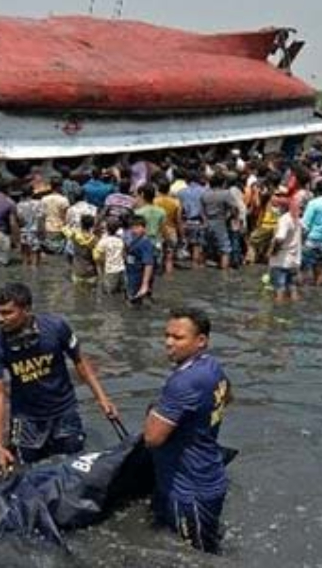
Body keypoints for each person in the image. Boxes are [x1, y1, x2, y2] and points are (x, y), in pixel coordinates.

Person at [0, 283, 118, 474]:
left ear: (27, 309)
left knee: (77, 468)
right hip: (26, 418)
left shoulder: (56, 327)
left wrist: (102, 398)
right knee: (22, 472)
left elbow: (80, 360)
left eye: (7, 313)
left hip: (64, 411)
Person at [143, 307, 232, 554]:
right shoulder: (212, 366)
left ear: (201, 340)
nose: (168, 343)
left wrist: (155, 410)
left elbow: (152, 438)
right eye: (167, 335)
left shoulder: (183, 382)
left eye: (178, 337)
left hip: (191, 490)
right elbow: (228, 396)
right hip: (206, 473)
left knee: (198, 556)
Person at [268, 192, 302, 301]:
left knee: (279, 290)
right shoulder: (297, 219)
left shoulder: (284, 219)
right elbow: (305, 232)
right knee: (293, 288)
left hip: (281, 260)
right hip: (294, 260)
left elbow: (279, 238)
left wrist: (272, 252)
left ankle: (277, 314)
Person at [124, 215, 156, 304]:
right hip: (132, 277)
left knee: (136, 304)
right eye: (132, 228)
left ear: (144, 228)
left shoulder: (145, 243)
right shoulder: (134, 241)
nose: (134, 230)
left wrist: (144, 284)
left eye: (137, 227)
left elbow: (149, 264)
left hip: (139, 280)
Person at [94, 219, 126, 295]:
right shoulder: (120, 240)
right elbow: (124, 255)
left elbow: (97, 257)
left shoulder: (103, 241)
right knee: (120, 293)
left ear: (107, 229)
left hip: (110, 271)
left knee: (109, 294)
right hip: (121, 269)